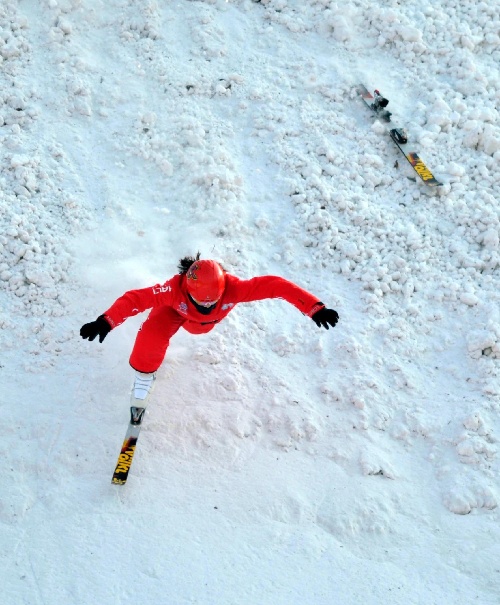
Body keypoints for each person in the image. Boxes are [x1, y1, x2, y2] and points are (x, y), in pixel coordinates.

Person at [80, 254, 339, 403]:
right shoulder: (172, 291)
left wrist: (314, 308)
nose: (206, 307)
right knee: (151, 336)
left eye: (212, 303)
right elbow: (135, 299)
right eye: (201, 302)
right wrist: (106, 321)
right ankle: (144, 377)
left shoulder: (236, 289)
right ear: (188, 290)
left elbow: (276, 285)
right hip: (175, 312)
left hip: (201, 327)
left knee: (199, 325)